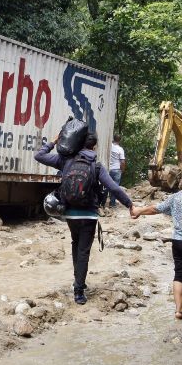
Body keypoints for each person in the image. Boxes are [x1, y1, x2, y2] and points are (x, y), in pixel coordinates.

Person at [35, 131, 134, 305]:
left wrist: (54, 141)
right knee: (83, 250)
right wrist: (130, 205)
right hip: (88, 214)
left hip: (70, 213)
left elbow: (39, 155)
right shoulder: (96, 166)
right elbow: (114, 188)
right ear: (94, 146)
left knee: (75, 243)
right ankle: (79, 289)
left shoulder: (65, 160)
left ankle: (78, 280)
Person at [131, 169, 182, 319]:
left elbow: (155, 209)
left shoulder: (175, 197)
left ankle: (179, 310)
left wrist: (139, 210)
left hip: (180, 242)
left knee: (180, 273)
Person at [104, 134, 126, 208]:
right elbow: (122, 161)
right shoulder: (120, 149)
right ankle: (112, 204)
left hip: (108, 169)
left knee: (106, 185)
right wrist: (122, 170)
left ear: (113, 138)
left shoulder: (109, 147)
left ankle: (102, 203)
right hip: (116, 170)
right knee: (115, 187)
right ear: (120, 140)